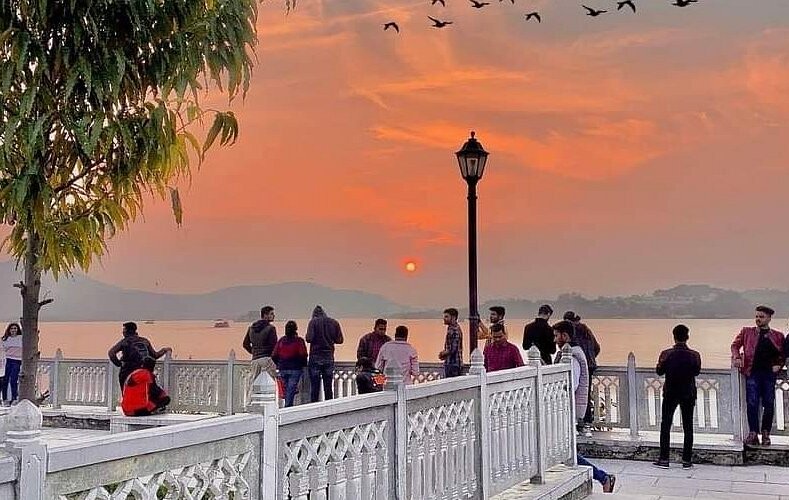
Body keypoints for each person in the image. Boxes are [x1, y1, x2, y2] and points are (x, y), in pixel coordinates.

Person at [553, 320, 615, 493]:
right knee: (564, 451)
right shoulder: (574, 353)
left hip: (567, 409)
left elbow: (569, 385)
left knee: (565, 452)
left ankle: (603, 476)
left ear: (565, 336)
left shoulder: (572, 356)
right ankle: (602, 477)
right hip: (565, 410)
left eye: (556, 335)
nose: (555, 339)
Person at [731, 305, 785, 446]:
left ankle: (766, 433)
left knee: (768, 403)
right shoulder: (747, 332)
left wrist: (779, 364)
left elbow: (783, 354)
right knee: (752, 403)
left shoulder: (778, 336)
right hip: (752, 372)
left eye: (761, 317)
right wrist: (737, 357)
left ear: (769, 318)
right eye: (756, 316)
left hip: (769, 374)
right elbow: (735, 345)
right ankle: (753, 433)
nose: (758, 319)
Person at [653, 324, 701, 469]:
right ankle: (686, 460)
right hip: (688, 393)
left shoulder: (666, 354)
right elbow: (697, 371)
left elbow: (659, 371)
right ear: (687, 337)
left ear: (674, 337)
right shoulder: (695, 355)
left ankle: (664, 459)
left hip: (670, 392)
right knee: (688, 426)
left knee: (666, 425)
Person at [108, 322, 172, 389]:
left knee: (127, 393)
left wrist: (119, 364)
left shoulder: (124, 342)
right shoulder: (144, 341)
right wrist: (164, 350)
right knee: (142, 392)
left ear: (127, 331)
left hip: (127, 372)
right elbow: (155, 355)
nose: (123, 332)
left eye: (124, 330)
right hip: (142, 371)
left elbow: (111, 353)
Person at [564, 311, 601, 424]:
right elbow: (597, 347)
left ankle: (578, 421)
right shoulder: (587, 330)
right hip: (589, 365)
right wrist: (590, 358)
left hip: (578, 364)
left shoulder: (573, 331)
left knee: (576, 394)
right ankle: (587, 422)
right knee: (585, 394)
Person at [306, 305, 344, 402]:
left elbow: (309, 338)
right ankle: (329, 406)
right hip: (328, 356)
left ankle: (314, 407)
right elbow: (340, 340)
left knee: (314, 387)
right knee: (328, 386)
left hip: (315, 356)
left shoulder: (313, 322)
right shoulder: (334, 322)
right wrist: (329, 338)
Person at [272, 320, 308, 407]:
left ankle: (287, 406)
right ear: (296, 329)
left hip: (283, 368)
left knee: (287, 390)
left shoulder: (281, 341)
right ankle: (287, 407)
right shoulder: (299, 341)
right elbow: (303, 354)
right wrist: (303, 365)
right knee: (291, 389)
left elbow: (274, 354)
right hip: (295, 368)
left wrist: (278, 364)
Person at [243, 306, 278, 381]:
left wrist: (254, 352)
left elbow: (245, 344)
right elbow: (274, 346)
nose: (274, 316)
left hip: (255, 360)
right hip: (267, 359)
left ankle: (251, 393)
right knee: (271, 382)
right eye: (271, 314)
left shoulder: (251, 328)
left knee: (254, 382)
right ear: (265, 315)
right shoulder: (270, 328)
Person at [1, 323, 22, 405]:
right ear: (9, 330)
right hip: (7, 360)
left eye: (15, 328)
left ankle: (14, 398)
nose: (13, 330)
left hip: (17, 361)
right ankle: (5, 399)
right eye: (12, 328)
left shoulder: (21, 338)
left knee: (13, 380)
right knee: (4, 380)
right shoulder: (5, 339)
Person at [439, 308, 463, 378]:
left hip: (453, 363)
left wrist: (442, 354)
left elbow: (452, 349)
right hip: (452, 363)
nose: (444, 318)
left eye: (446, 316)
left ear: (453, 317)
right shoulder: (452, 328)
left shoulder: (454, 330)